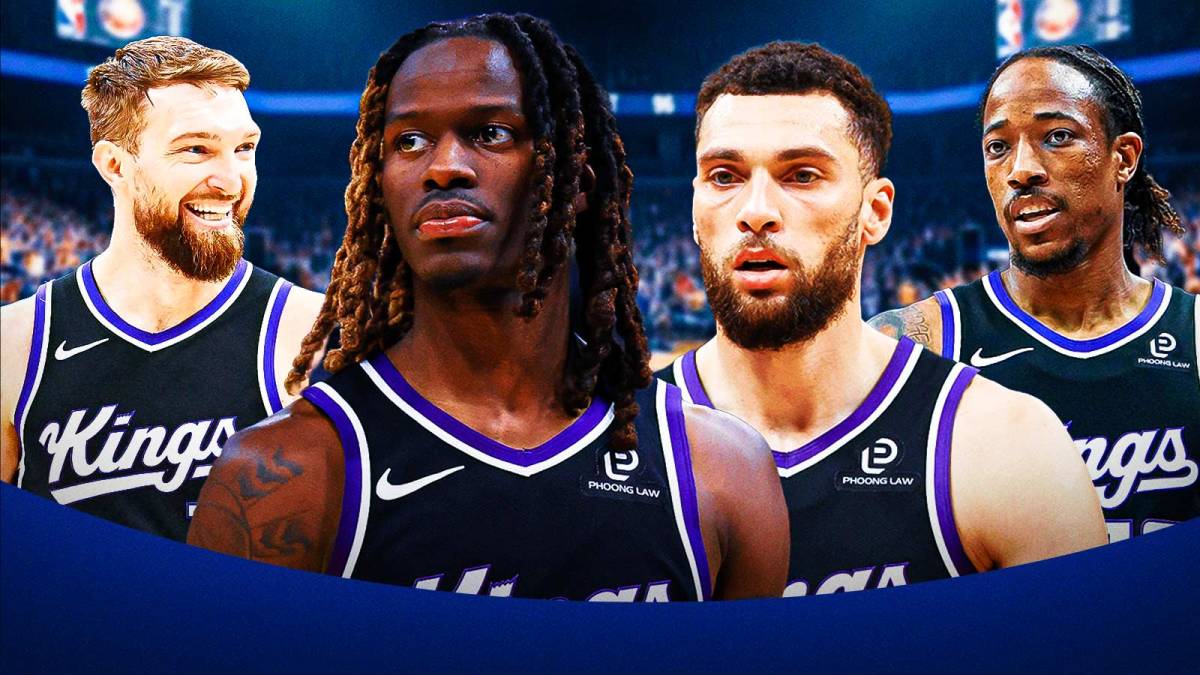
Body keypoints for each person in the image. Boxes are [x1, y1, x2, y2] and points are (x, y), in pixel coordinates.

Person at [188, 14, 788, 601]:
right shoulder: (284, 473)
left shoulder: (719, 469)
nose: (443, 167)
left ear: (577, 180)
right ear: (380, 182)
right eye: (409, 141)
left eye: (491, 133)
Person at [657, 42, 1105, 596]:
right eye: (725, 176)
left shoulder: (1005, 447)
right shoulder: (618, 442)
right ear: (695, 209)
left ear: (876, 212)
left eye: (802, 175)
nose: (756, 212)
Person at [871, 45, 1199, 543]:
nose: (1021, 170)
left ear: (1124, 158)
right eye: (997, 147)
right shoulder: (917, 343)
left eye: (1057, 136)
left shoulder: (1193, 335)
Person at [0, 37, 323, 541]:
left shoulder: (315, 334)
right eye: (196, 149)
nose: (231, 181)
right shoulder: (15, 344)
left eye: (244, 149)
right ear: (114, 165)